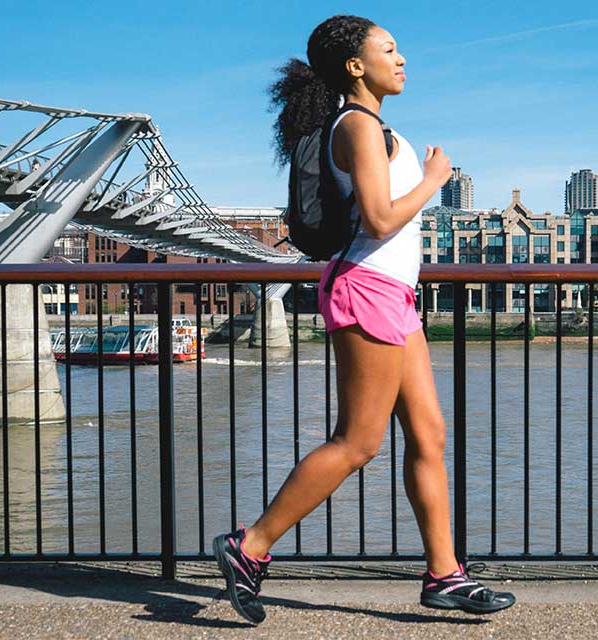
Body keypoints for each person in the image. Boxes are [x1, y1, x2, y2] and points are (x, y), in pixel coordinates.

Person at [212, 15, 515, 624]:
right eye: (389, 50)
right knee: (358, 442)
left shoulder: (375, 127)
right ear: (356, 65)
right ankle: (248, 548)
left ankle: (444, 576)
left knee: (428, 435)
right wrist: (433, 181)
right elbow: (378, 220)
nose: (402, 59)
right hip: (368, 289)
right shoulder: (355, 126)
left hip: (396, 295)